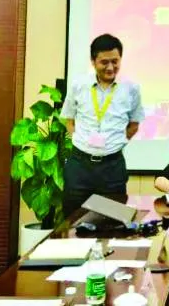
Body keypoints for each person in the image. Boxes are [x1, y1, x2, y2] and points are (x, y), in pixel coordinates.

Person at [59, 34, 144, 217]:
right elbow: (69, 120)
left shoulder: (131, 89)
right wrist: (80, 141)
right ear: (93, 61)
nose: (110, 67)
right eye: (104, 62)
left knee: (111, 221)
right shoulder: (78, 85)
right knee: (72, 221)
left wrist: (117, 142)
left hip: (112, 168)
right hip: (79, 166)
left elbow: (134, 124)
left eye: (115, 61)